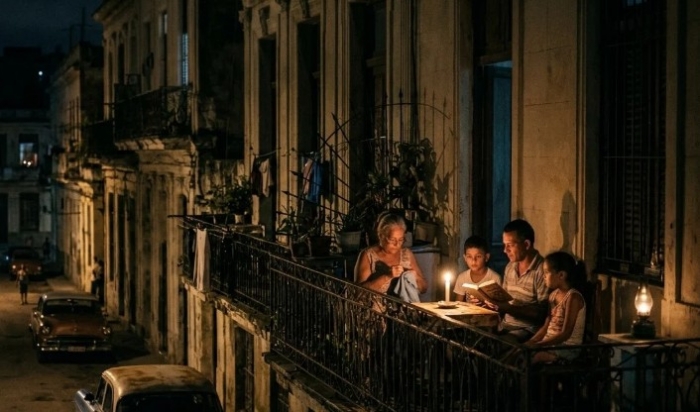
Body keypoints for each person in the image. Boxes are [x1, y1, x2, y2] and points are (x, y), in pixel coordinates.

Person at [524, 251, 587, 363]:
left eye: (546, 272)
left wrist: (539, 345)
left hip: (567, 348)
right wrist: (531, 342)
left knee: (534, 357)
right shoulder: (553, 295)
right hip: (550, 344)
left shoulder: (573, 297)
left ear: (561, 275)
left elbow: (565, 333)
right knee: (519, 351)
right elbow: (546, 326)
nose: (543, 276)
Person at [494, 219, 549, 343]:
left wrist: (509, 308)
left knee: (498, 347)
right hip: (505, 326)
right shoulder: (510, 267)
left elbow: (542, 314)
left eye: (510, 245)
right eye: (504, 245)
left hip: (527, 331)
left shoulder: (542, 270)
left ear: (526, 245)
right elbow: (504, 300)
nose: (505, 250)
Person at [354, 212, 428, 301]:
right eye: (392, 239)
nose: (397, 244)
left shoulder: (407, 254)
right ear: (381, 236)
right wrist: (387, 276)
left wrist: (415, 277)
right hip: (375, 309)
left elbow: (424, 288)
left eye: (401, 240)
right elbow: (358, 293)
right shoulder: (368, 256)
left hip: (404, 308)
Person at [453, 235, 501, 307]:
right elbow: (458, 304)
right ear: (465, 258)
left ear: (486, 257)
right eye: (469, 256)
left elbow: (500, 306)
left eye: (478, 256)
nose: (473, 260)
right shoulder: (462, 278)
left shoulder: (494, 278)